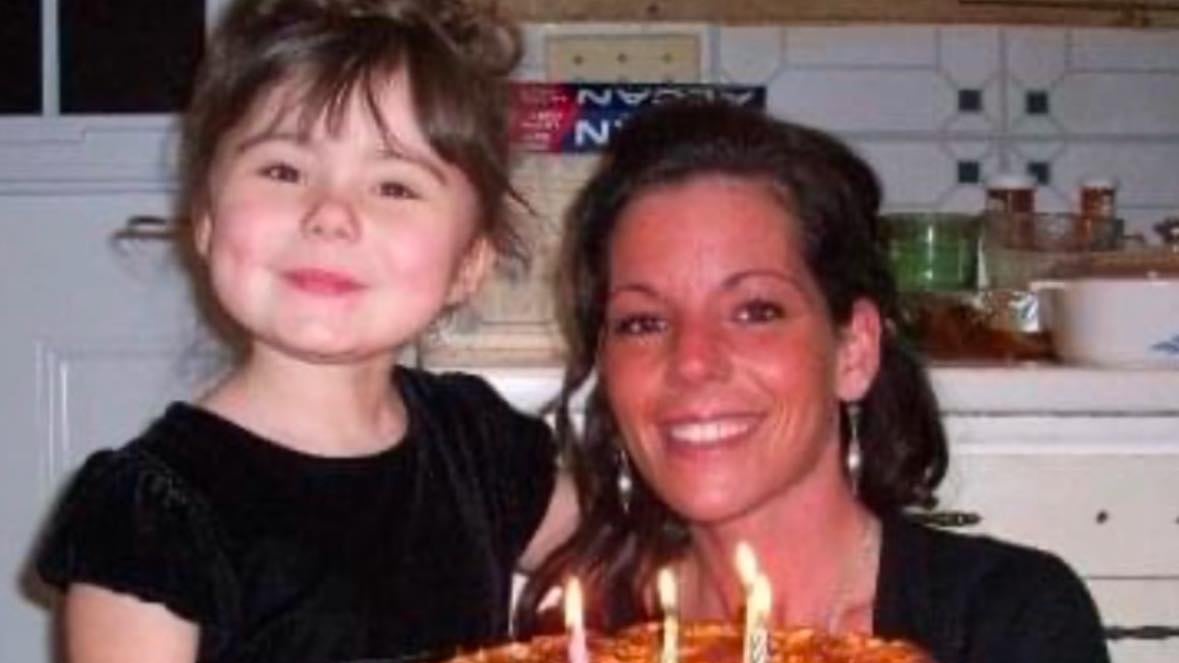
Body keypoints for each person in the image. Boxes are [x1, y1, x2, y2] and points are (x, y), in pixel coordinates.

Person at [34, 1, 575, 662]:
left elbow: (640, 557)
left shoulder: (480, 446)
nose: (329, 215)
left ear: (468, 263)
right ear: (205, 219)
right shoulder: (150, 518)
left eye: (393, 186)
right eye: (283, 171)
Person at [514, 100, 1109, 663]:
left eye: (755, 311)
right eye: (642, 322)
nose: (692, 361)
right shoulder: (581, 633)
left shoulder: (1005, 620)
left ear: (853, 350)